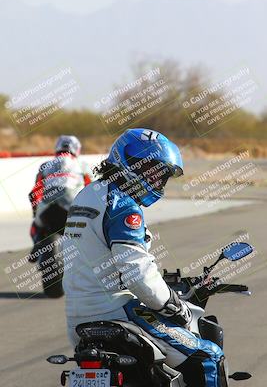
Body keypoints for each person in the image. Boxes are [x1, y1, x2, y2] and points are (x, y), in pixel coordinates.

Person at [62, 128, 224, 387]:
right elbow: (138, 274)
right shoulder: (123, 205)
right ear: (128, 163)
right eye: (151, 170)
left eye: (161, 174)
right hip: (116, 312)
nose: (157, 180)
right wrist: (175, 306)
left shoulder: (88, 194)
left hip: (76, 318)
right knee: (208, 356)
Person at [29, 135, 93, 260]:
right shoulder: (83, 165)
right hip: (74, 207)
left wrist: (36, 211)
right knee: (93, 225)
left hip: (47, 207)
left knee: (36, 225)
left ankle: (37, 246)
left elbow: (35, 192)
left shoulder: (45, 165)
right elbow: (93, 188)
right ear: (77, 149)